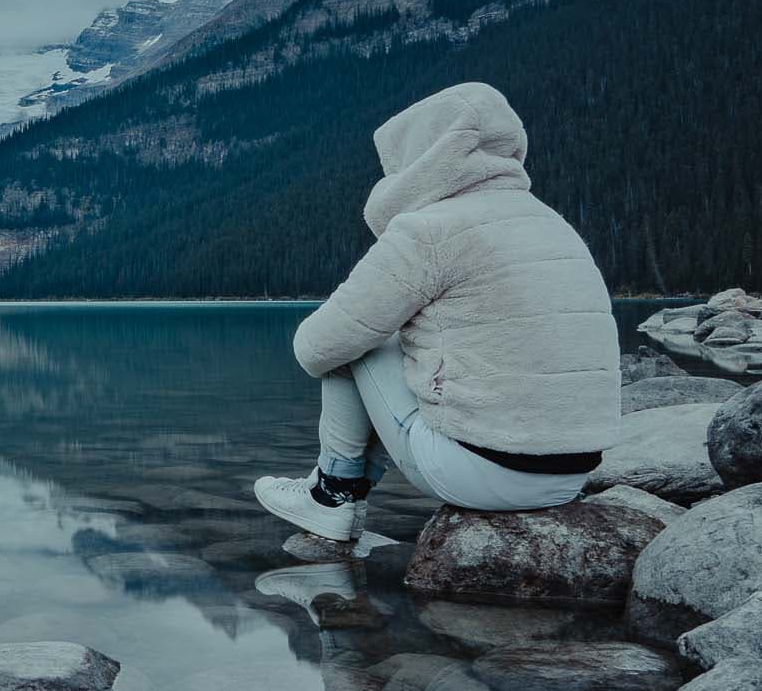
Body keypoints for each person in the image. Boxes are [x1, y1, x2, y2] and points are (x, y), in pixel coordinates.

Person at [252, 81, 620, 552]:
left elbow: (316, 347)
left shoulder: (429, 229)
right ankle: (335, 490)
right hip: (573, 473)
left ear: (425, 154)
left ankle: (331, 496)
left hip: (484, 473)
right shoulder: (552, 222)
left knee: (356, 343)